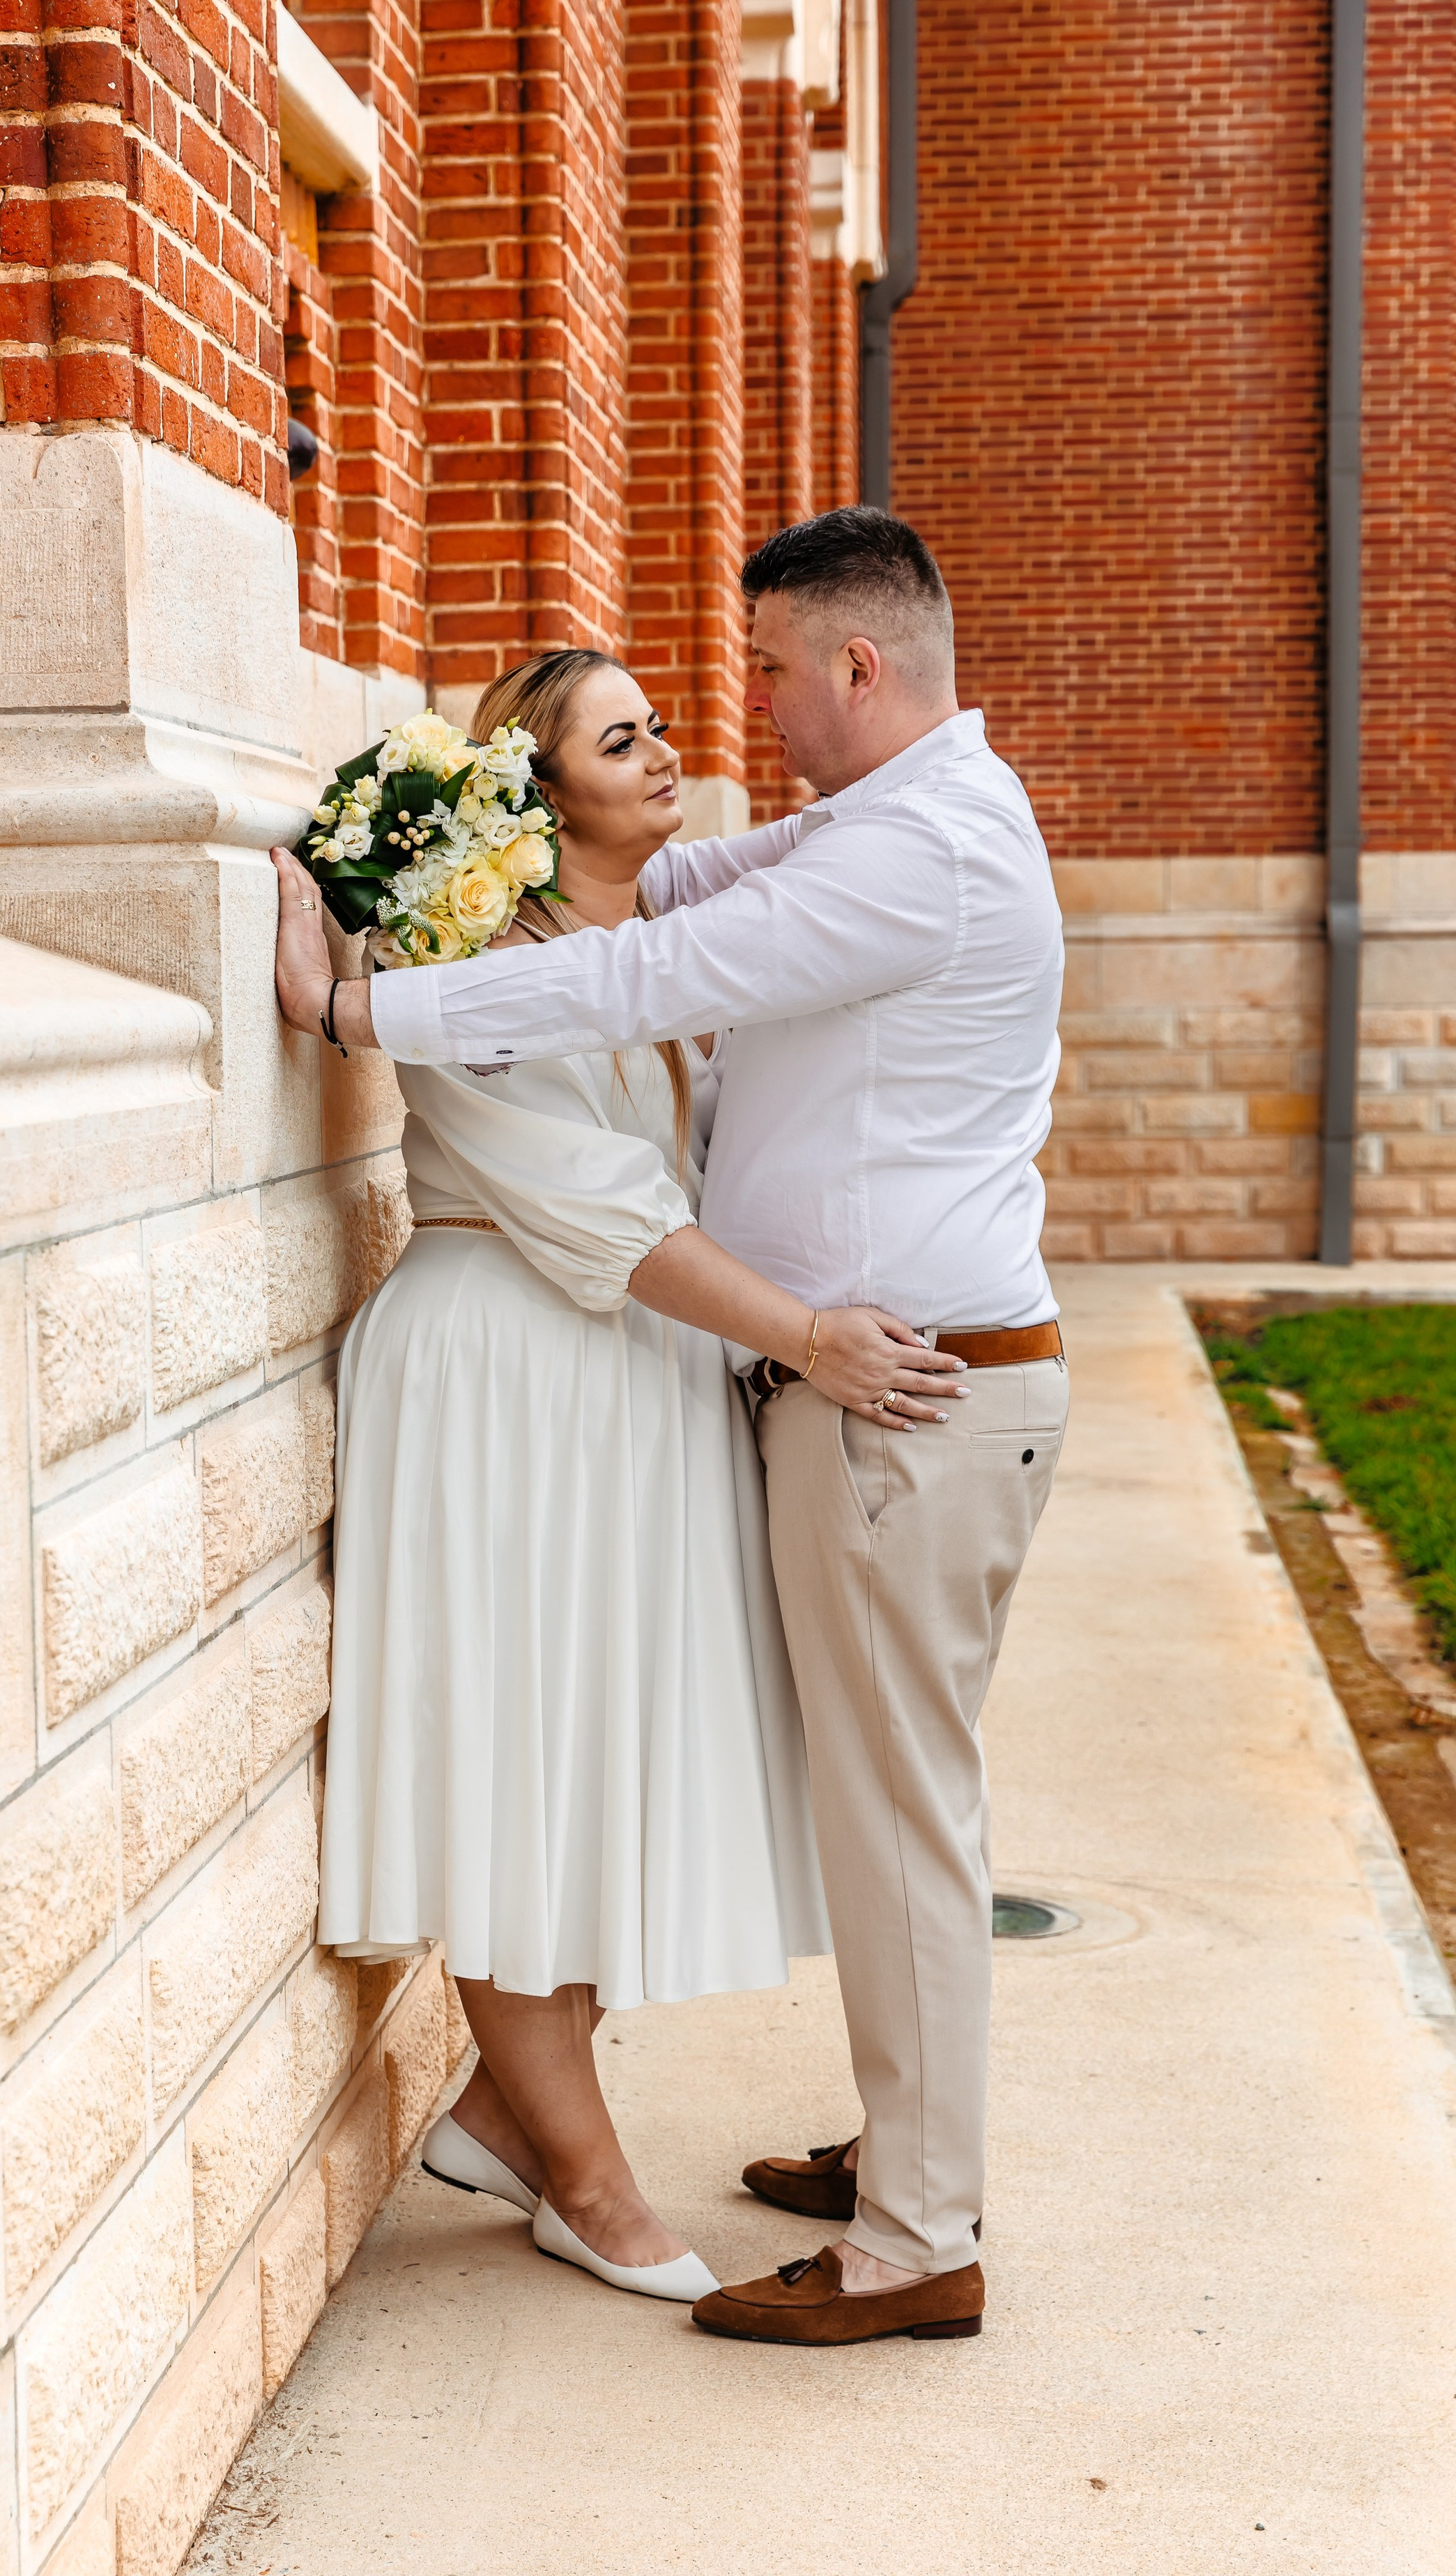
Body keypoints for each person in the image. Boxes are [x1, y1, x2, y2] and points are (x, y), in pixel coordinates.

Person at [275, 507, 1066, 2348]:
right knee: (776, 1790)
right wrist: (426, 876)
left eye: (769, 673)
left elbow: (649, 968)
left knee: (891, 1815)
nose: (733, 727)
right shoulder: (894, 822)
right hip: (724, 1378)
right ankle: (797, 2164)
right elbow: (680, 907)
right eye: (632, 730)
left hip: (903, 1387)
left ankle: (917, 2227)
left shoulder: (920, 848)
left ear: (857, 666)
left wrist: (363, 999)